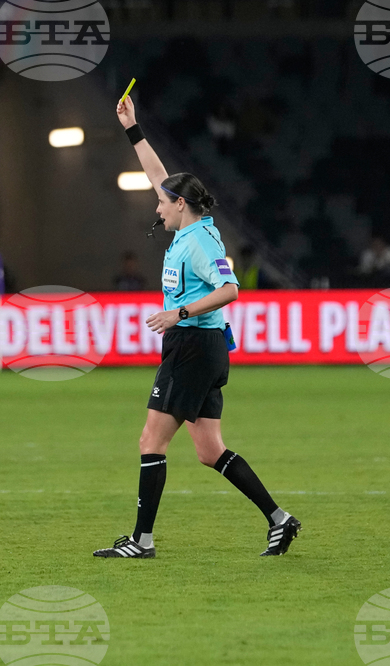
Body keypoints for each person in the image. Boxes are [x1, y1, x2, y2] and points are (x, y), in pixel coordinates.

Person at [93, 95, 300, 559]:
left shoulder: (201, 242)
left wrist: (178, 314)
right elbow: (157, 174)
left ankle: (142, 541)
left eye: (162, 203)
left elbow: (230, 291)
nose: (157, 208)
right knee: (209, 451)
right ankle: (279, 520)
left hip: (191, 345)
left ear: (181, 204)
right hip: (202, 348)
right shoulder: (191, 229)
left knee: (151, 440)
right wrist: (133, 128)